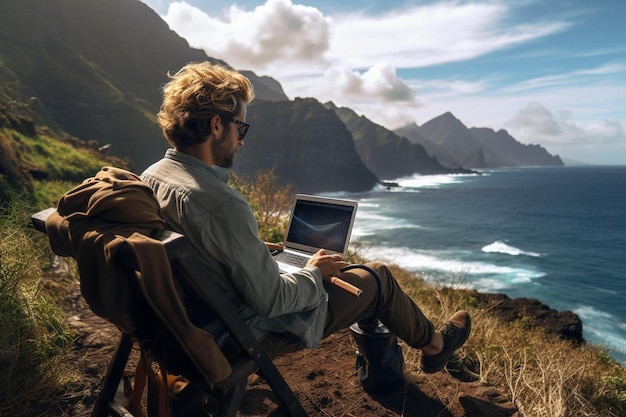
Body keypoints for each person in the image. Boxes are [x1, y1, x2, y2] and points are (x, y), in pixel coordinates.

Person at [140, 61, 470, 376]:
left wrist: (251, 250)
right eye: (241, 127)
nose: (241, 139)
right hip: (234, 334)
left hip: (181, 325)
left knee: (342, 273)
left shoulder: (152, 177)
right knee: (376, 279)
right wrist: (313, 272)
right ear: (216, 125)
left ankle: (395, 365)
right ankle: (433, 347)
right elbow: (271, 300)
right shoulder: (221, 203)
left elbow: (202, 247)